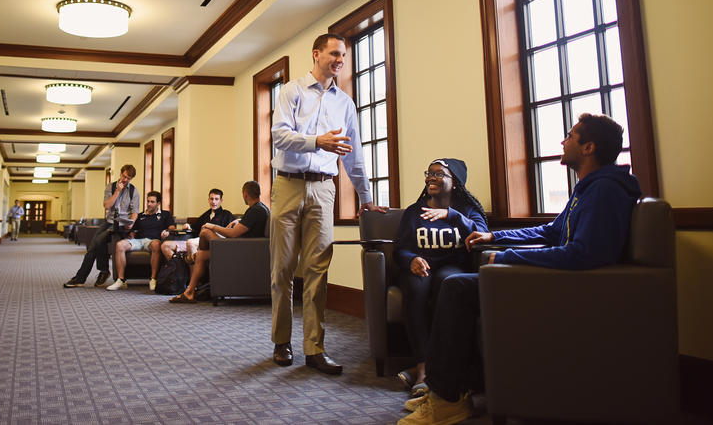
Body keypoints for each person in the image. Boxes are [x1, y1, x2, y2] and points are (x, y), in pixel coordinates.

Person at [398, 113, 641, 425]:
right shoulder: (588, 188)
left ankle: (448, 399)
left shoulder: (605, 190)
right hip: (564, 279)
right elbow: (551, 232)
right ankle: (446, 390)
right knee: (456, 286)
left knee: (457, 285)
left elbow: (584, 254)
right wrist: (495, 237)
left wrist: (510, 257)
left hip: (577, 288)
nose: (563, 142)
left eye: (570, 136)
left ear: (589, 147)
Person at [269, 33, 385, 375]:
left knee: (319, 270)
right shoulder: (291, 91)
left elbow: (355, 156)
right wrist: (317, 141)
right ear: (317, 54)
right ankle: (281, 341)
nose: (340, 60)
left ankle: (314, 348)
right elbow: (279, 136)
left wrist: (366, 198)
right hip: (287, 185)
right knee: (283, 269)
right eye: (335, 53)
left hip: (324, 189)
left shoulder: (345, 104)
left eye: (344, 55)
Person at [393, 158, 488, 390]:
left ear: (454, 182)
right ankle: (423, 366)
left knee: (448, 283)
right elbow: (400, 248)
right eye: (429, 173)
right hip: (420, 266)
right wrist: (411, 259)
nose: (431, 178)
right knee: (416, 287)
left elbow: (483, 234)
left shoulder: (467, 210)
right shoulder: (415, 211)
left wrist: (450, 215)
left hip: (452, 265)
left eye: (438, 174)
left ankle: (438, 364)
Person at [169, 181, 269, 303]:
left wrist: (213, 226)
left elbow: (233, 233)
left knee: (205, 232)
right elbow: (249, 225)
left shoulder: (255, 210)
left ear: (245, 194)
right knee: (201, 255)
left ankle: (193, 259)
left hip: (240, 250)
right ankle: (189, 292)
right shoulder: (260, 208)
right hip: (242, 247)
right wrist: (240, 220)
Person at [63, 165, 140, 288]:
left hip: (124, 224)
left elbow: (135, 211)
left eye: (129, 178)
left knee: (99, 243)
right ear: (120, 174)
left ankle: (103, 272)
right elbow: (107, 205)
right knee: (94, 245)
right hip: (109, 222)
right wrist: (117, 191)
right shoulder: (111, 187)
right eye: (124, 176)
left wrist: (131, 222)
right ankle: (81, 278)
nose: (125, 180)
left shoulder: (133, 191)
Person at [107, 191, 175, 291]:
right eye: (148, 201)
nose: (149, 204)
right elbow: (132, 229)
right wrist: (130, 232)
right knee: (120, 245)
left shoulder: (165, 214)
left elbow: (172, 227)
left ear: (158, 203)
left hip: (153, 241)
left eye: (152, 202)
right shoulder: (140, 216)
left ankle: (153, 279)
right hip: (139, 241)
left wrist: (167, 231)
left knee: (156, 244)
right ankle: (121, 280)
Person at [156, 188, 235, 273]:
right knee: (165, 246)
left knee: (191, 243)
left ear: (221, 200)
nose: (213, 202)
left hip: (213, 244)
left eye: (216, 199)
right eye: (211, 199)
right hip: (198, 242)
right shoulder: (206, 215)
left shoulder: (227, 215)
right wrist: (188, 226)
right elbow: (195, 228)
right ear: (208, 200)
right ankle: (180, 273)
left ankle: (194, 281)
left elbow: (230, 232)